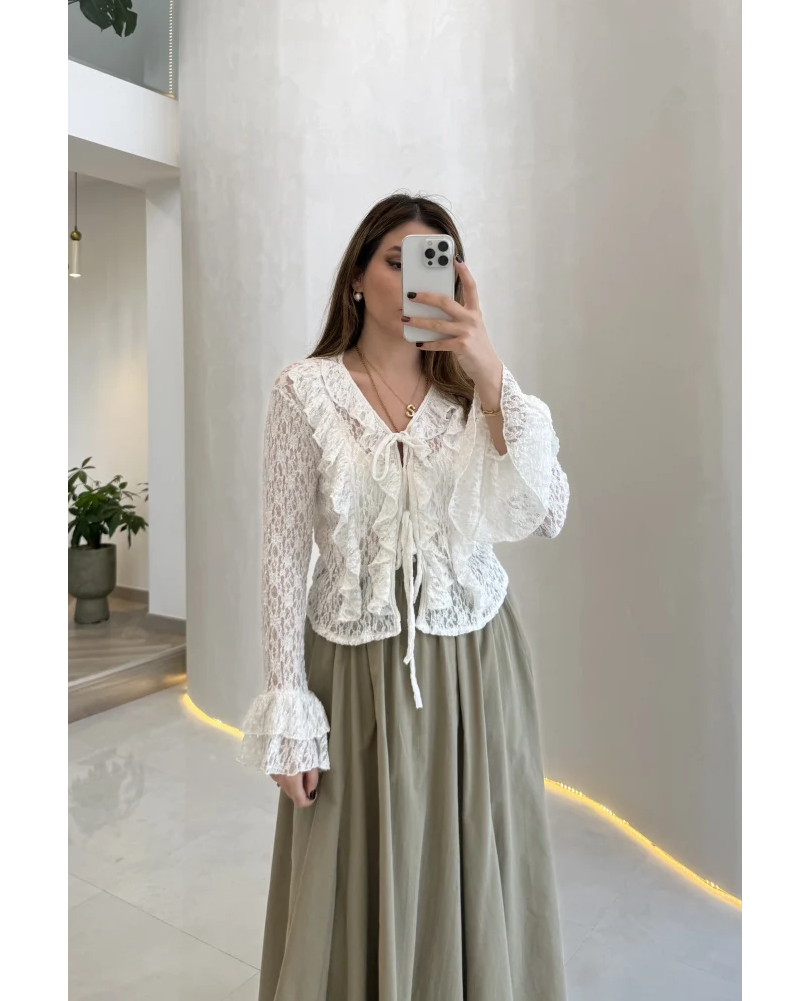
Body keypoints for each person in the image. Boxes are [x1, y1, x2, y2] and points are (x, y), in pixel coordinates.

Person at [238, 193, 571, 1000]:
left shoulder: (475, 394)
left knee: (473, 856)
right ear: (356, 276)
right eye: (397, 261)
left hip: (474, 663)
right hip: (353, 668)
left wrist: (490, 370)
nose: (418, 279)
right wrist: (288, 708)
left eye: (436, 261)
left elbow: (546, 512)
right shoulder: (305, 392)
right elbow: (281, 553)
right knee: (350, 867)